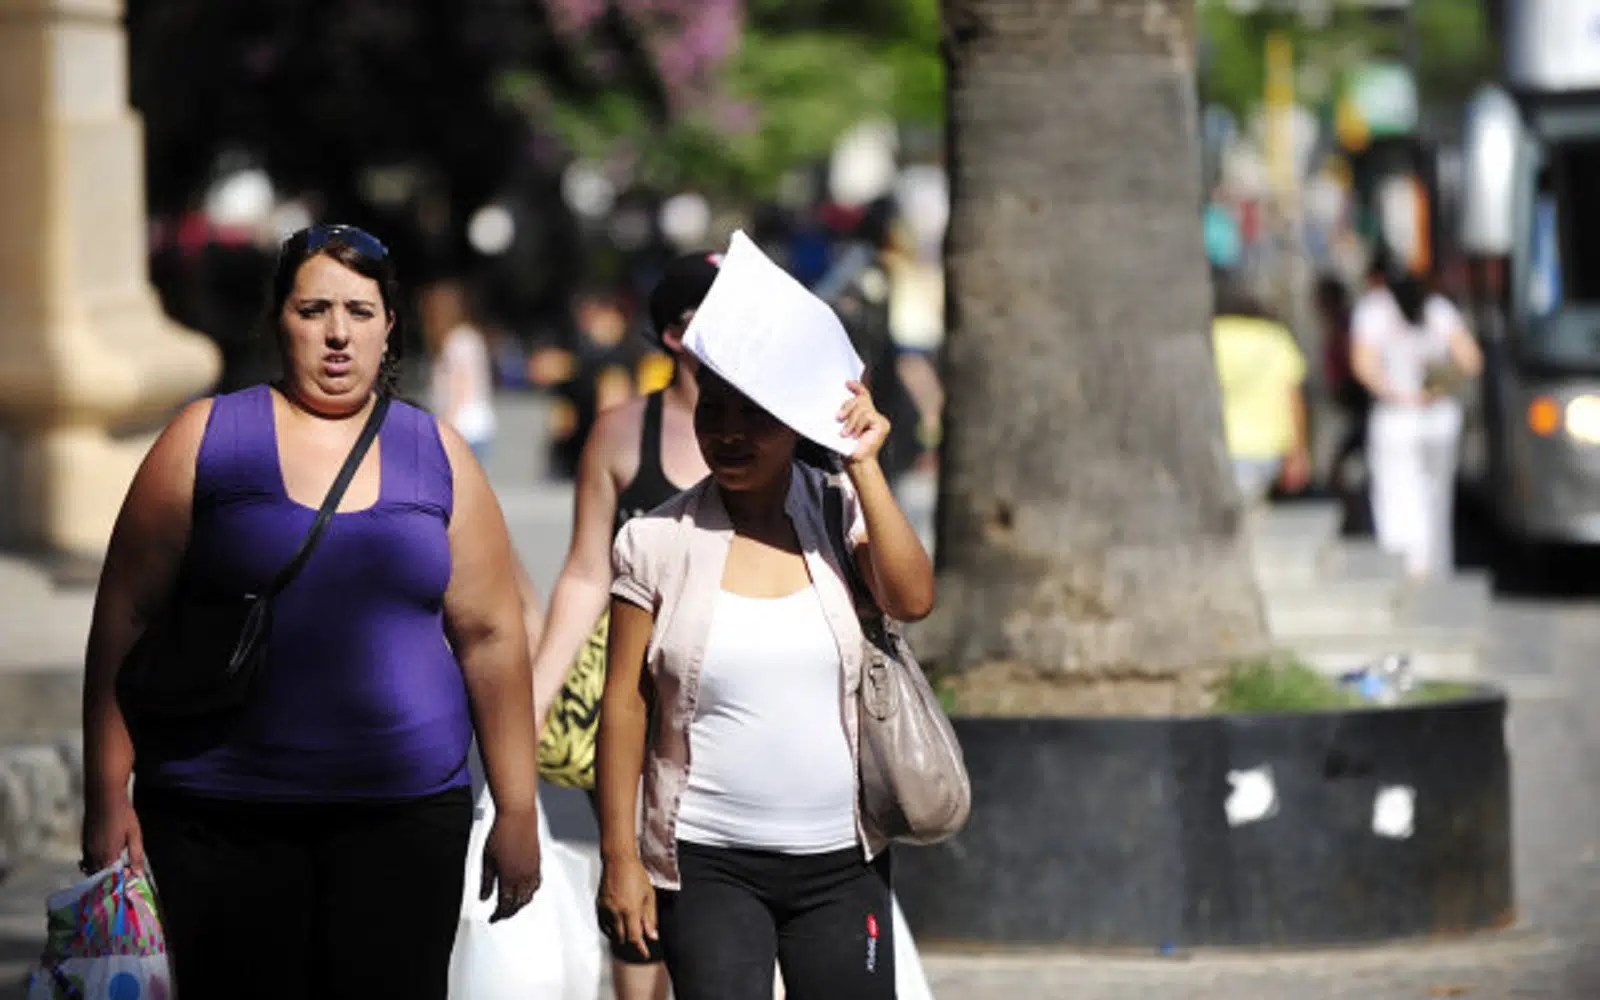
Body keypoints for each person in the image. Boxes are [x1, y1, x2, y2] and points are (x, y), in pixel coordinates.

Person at [79, 223, 544, 1000]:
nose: (338, 335)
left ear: (391, 326)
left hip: (402, 823)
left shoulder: (438, 453)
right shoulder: (205, 439)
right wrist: (105, 794)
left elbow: (492, 636)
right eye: (314, 310)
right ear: (277, 321)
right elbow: (124, 617)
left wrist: (519, 805)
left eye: (360, 312)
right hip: (217, 817)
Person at [593, 313, 936, 997]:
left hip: (845, 864)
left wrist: (862, 463)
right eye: (713, 412)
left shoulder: (841, 517)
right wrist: (620, 856)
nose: (730, 434)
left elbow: (913, 598)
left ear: (792, 421)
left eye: (755, 415)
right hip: (708, 863)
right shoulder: (655, 541)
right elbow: (625, 706)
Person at [529, 251, 719, 1000]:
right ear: (675, 334)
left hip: (730, 700)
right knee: (637, 893)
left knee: (720, 901)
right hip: (636, 700)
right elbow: (585, 571)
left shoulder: (779, 432)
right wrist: (538, 695)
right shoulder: (620, 434)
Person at [1351, 274, 1484, 580]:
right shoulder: (1439, 309)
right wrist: (1440, 386)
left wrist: (1396, 392)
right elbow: (1471, 361)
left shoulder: (1374, 310)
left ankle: (1407, 567)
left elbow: (1362, 363)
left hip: (1396, 417)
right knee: (1435, 497)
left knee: (1395, 494)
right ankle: (1434, 565)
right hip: (1439, 417)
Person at [1210, 274, 1313, 504]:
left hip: (1223, 443)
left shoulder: (1212, 335)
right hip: (1267, 446)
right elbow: (1293, 397)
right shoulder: (1273, 337)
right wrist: (1299, 450)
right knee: (1255, 515)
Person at [423, 278, 499, 462]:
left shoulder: (458, 341)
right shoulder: (467, 338)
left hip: (464, 429)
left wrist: (445, 425)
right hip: (472, 429)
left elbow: (461, 386)